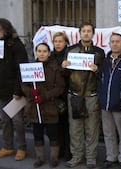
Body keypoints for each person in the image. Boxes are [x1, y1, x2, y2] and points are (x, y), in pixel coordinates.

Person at [61, 22, 105, 168]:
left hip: (91, 95)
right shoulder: (70, 50)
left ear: (93, 34)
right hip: (74, 95)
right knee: (75, 128)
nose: (86, 33)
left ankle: (91, 157)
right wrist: (64, 67)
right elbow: (65, 75)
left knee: (92, 128)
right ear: (80, 33)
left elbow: (103, 75)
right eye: (84, 31)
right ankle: (77, 156)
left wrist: (97, 69)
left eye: (89, 31)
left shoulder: (99, 52)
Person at [0, 18, 28, 161]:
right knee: (4, 120)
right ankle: (7, 146)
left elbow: (21, 70)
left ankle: (21, 147)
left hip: (14, 91)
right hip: (1, 89)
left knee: (17, 121)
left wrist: (18, 91)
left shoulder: (17, 45)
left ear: (3, 29)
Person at [21, 43, 65, 168]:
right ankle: (40, 158)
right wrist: (31, 92)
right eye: (39, 51)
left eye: (44, 51)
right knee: (37, 134)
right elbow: (24, 85)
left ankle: (54, 158)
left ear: (49, 53)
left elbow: (60, 87)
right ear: (36, 52)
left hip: (50, 106)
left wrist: (45, 96)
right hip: (35, 108)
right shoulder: (30, 68)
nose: (42, 53)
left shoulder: (54, 68)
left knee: (53, 134)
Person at [98, 33, 121, 169]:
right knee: (108, 132)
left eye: (118, 41)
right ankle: (111, 156)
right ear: (109, 44)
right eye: (112, 41)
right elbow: (100, 80)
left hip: (120, 104)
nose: (115, 44)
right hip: (105, 103)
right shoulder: (105, 61)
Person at [50, 32, 72, 161]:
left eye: (60, 41)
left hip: (66, 94)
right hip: (53, 97)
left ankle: (68, 152)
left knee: (68, 126)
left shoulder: (69, 56)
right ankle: (59, 150)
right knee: (56, 125)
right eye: (55, 41)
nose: (58, 44)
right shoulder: (50, 56)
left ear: (66, 43)